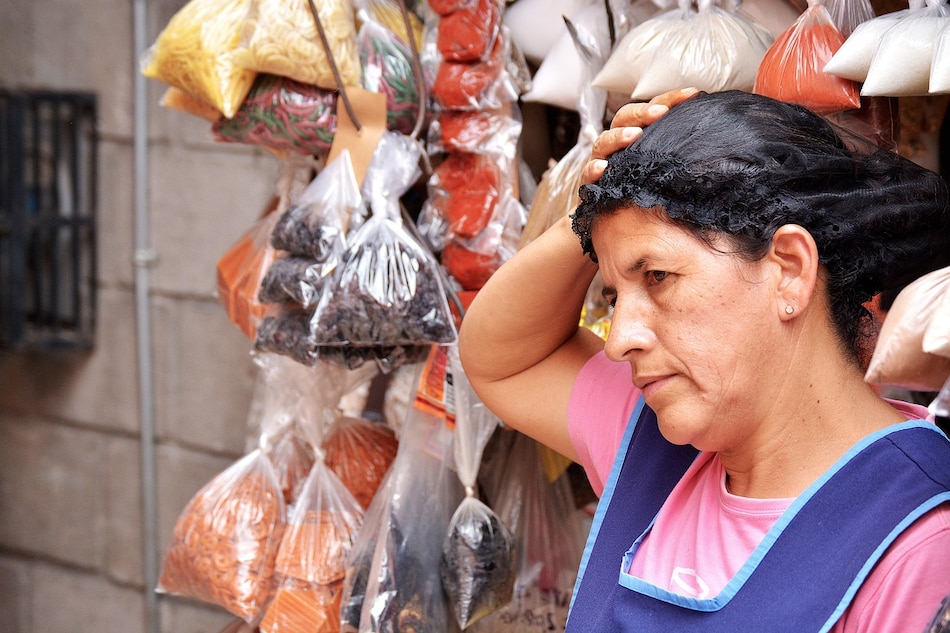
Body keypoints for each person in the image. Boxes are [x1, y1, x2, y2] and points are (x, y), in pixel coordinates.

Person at [457, 89, 950, 632]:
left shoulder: (918, 540)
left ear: (788, 269)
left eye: (657, 277)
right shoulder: (657, 442)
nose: (619, 339)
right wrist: (593, 207)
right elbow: (501, 359)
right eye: (615, 296)